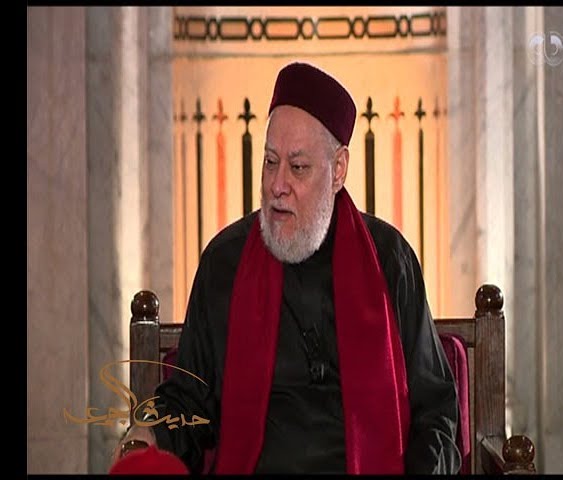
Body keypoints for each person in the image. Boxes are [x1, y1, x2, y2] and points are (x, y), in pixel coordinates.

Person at [113, 62, 461, 474]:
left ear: (338, 170)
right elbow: (188, 403)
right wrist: (143, 438)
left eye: (297, 168)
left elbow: (435, 412)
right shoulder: (224, 263)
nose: (277, 185)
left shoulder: (390, 260)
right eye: (270, 162)